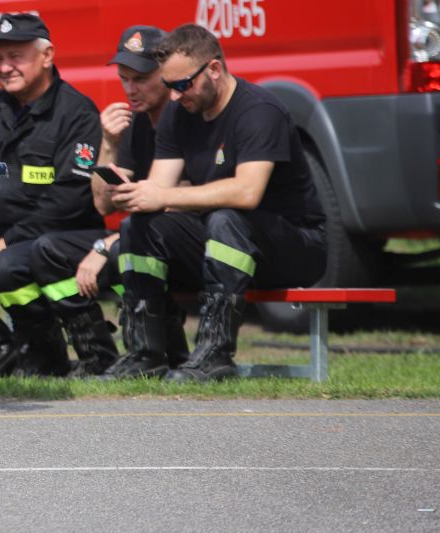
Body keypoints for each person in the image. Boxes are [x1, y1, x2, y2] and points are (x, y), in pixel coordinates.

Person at [111, 23, 327, 381]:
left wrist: (162, 195)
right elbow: (159, 193)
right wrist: (133, 193)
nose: (177, 96)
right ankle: (146, 353)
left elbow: (247, 192)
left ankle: (215, 353)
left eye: (184, 85)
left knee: (227, 218)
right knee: (139, 227)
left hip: (293, 247)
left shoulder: (259, 111)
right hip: (224, 241)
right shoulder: (179, 115)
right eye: (169, 86)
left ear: (213, 69)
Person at [26, 25, 188, 376]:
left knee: (124, 243)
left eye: (141, 78)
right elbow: (103, 205)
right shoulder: (132, 123)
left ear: (166, 73)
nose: (130, 89)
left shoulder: (184, 117)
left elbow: (179, 202)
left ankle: (163, 353)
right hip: (136, 233)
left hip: (177, 239)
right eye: (124, 78)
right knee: (47, 249)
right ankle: (97, 356)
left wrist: (103, 245)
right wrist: (110, 142)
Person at [0, 12, 104, 376]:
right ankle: (0, 347)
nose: (4, 67)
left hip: (54, 238)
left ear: (47, 55)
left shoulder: (77, 113)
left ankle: (44, 351)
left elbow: (70, 199)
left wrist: (3, 245)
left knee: (6, 268)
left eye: (15, 57)